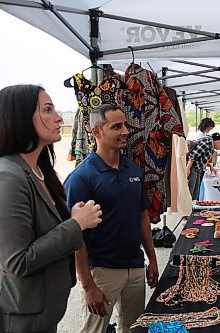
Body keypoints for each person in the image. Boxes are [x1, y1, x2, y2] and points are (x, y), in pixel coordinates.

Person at [0, 84, 102, 333]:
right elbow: (17, 262)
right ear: (19, 119)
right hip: (14, 319)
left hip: (38, 314)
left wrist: (70, 219)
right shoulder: (6, 177)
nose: (58, 117)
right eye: (48, 109)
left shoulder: (38, 171)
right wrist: (75, 224)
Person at [64, 104, 159, 333]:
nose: (125, 131)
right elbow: (74, 236)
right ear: (96, 132)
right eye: (117, 126)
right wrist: (88, 286)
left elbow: (142, 216)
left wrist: (152, 259)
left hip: (135, 267)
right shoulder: (81, 178)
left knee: (134, 328)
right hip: (102, 271)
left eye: (125, 125)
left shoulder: (134, 170)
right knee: (94, 330)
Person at [186, 132, 220, 200]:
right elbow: (194, 155)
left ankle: (193, 207)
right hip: (193, 167)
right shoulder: (207, 142)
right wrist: (187, 169)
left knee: (196, 191)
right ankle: (188, 208)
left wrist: (210, 166)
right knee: (191, 190)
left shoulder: (211, 146)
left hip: (197, 168)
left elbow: (202, 158)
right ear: (218, 142)